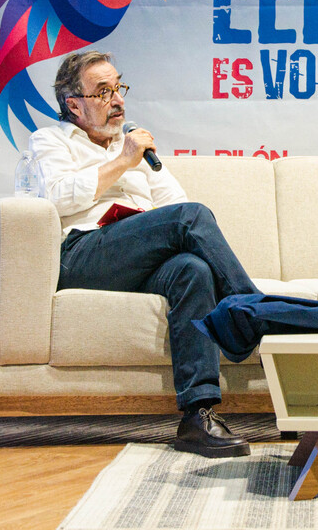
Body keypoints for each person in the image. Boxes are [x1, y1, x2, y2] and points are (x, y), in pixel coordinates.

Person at [29, 50, 262, 458]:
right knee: (190, 219)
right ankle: (254, 315)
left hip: (137, 256)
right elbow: (55, 196)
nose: (118, 99)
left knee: (192, 270)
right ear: (74, 105)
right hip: (84, 254)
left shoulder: (135, 146)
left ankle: (197, 417)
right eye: (104, 92)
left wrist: (149, 223)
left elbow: (177, 203)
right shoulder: (50, 141)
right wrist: (123, 162)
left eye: (119, 87)